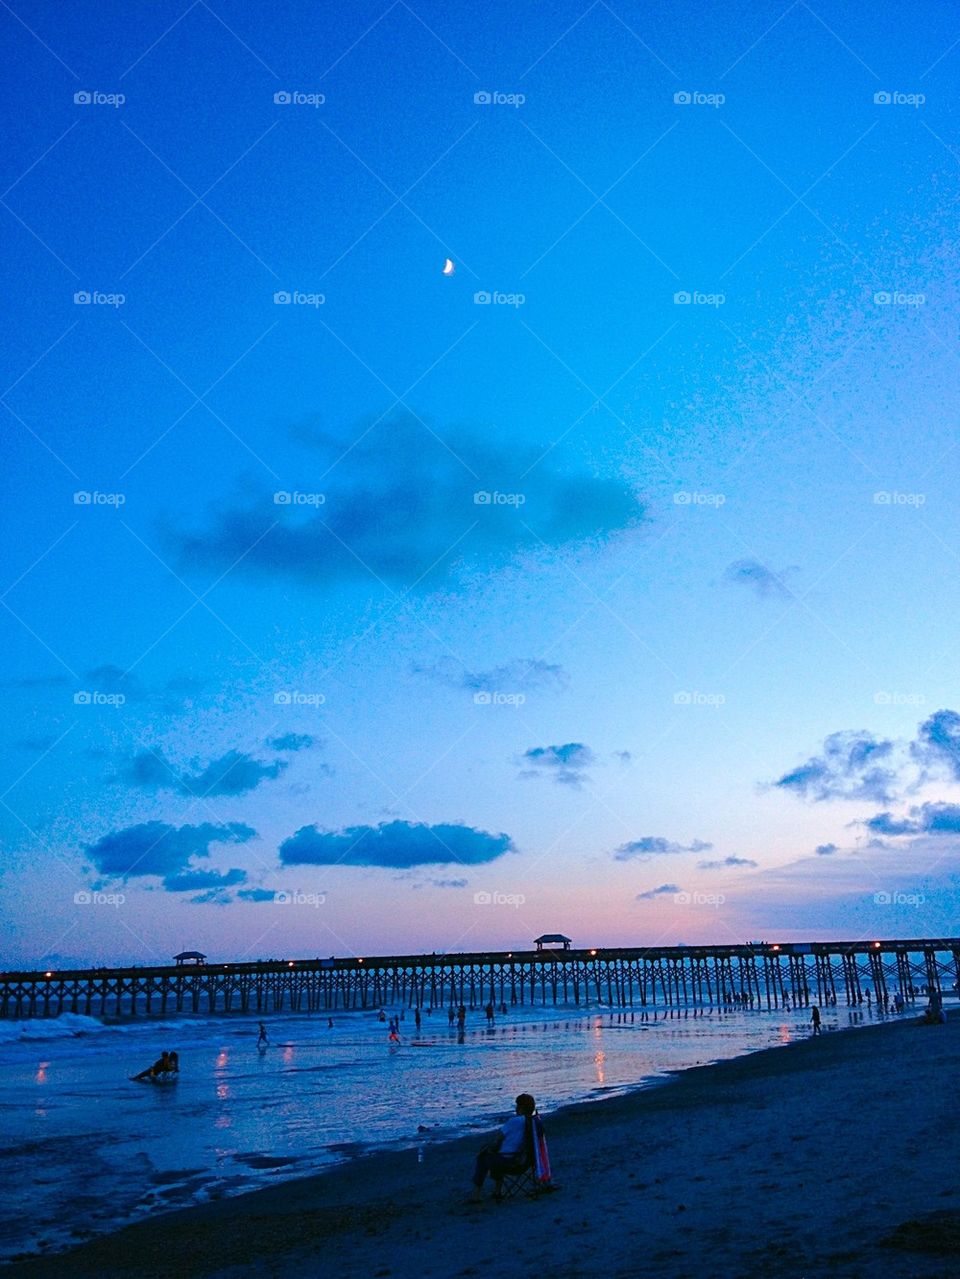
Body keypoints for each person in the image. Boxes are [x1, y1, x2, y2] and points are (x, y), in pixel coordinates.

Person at [470, 1093, 536, 1202]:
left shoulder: (515, 1121)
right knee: (493, 1155)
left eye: (517, 1105)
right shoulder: (532, 1121)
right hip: (525, 1160)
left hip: (511, 1161)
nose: (516, 1108)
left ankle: (476, 1195)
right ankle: (497, 1191)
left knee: (483, 1157)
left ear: (521, 1107)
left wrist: (488, 1148)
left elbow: (499, 1138)